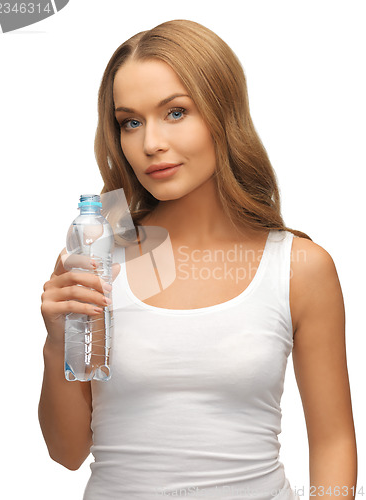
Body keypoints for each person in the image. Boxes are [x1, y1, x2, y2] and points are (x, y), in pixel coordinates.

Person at [39, 19, 357, 500]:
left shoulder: (300, 267)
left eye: (175, 113)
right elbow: (67, 453)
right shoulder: (96, 256)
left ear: (223, 113)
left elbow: (333, 439)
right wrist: (57, 342)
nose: (150, 144)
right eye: (130, 122)